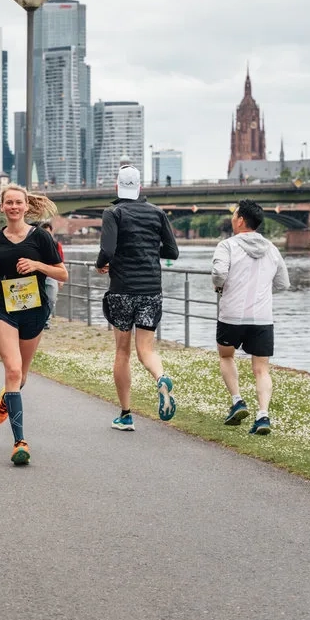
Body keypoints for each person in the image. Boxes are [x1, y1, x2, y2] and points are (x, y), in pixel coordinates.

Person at [0, 184, 67, 465]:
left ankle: (9, 396)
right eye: (9, 203)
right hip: (3, 309)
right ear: (3, 206)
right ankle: (20, 441)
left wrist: (37, 266)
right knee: (13, 369)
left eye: (18, 202)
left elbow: (62, 274)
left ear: (26, 206)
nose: (14, 207)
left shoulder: (41, 237)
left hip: (34, 310)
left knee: (21, 378)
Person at [95, 164, 180, 431]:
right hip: (151, 291)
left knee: (122, 351)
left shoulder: (114, 212)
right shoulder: (157, 213)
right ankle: (161, 377)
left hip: (122, 290)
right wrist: (147, 250)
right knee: (147, 350)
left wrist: (101, 264)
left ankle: (126, 414)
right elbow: (172, 251)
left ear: (116, 186)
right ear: (140, 188)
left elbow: (107, 249)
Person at [212, 199, 289, 435]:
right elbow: (283, 284)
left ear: (241, 220)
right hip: (262, 318)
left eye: (235, 215)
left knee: (226, 356)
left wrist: (220, 287)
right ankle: (263, 416)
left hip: (232, 315)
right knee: (261, 369)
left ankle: (237, 401)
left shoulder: (227, 246)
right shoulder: (272, 249)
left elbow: (218, 273)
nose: (233, 218)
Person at [39, 221, 65, 329]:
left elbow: (61, 261)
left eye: (48, 233)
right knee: (39, 299)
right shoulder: (34, 244)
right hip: (37, 275)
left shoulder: (56, 245)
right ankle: (41, 320)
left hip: (52, 275)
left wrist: (61, 279)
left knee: (51, 298)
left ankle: (45, 320)